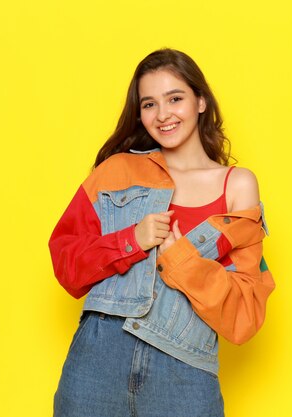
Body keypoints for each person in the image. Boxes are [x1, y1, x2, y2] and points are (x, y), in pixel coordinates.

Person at [48, 48, 275, 417]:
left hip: (183, 375)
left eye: (175, 98)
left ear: (201, 101)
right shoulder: (117, 170)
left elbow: (245, 315)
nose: (163, 114)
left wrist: (183, 263)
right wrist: (130, 241)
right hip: (96, 367)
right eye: (149, 104)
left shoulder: (236, 185)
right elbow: (66, 264)